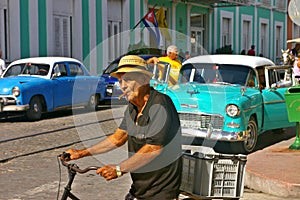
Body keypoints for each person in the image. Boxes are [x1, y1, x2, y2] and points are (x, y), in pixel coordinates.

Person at [64, 55, 183, 200]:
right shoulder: (133, 107)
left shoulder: (160, 104)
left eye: (127, 79)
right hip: (140, 189)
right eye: (120, 81)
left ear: (144, 80)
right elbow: (118, 138)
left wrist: (119, 169)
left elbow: (153, 148)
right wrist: (81, 153)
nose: (123, 86)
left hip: (160, 192)